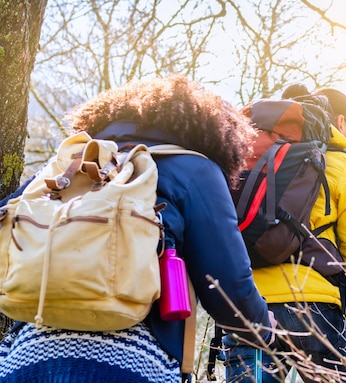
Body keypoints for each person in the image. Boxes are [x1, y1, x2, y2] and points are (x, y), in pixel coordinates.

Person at [0, 75, 275, 383]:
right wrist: (263, 326)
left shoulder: (64, 167)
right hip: (133, 361)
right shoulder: (196, 169)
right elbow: (226, 286)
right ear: (215, 132)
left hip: (25, 356)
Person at [222, 85, 346, 382]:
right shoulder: (345, 165)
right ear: (340, 123)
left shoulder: (255, 160)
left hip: (249, 306)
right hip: (317, 311)